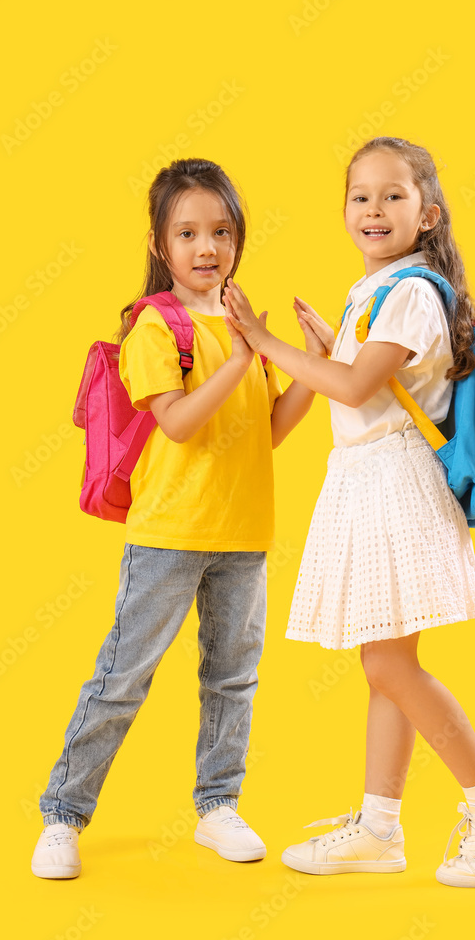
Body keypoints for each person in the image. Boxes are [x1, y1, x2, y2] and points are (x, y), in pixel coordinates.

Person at [222, 136, 475, 888]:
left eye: (393, 196)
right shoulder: (372, 289)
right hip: (368, 481)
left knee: (387, 661)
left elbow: (354, 387)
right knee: (384, 662)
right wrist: (325, 348)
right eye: (360, 195)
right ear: (343, 210)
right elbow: (351, 376)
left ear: (426, 213)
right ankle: (379, 826)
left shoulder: (410, 290)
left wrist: (266, 342)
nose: (373, 208)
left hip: (395, 485)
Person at [31, 158, 319, 878]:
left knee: (232, 679)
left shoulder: (245, 324)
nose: (206, 248)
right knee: (122, 677)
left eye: (221, 231)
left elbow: (269, 429)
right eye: (187, 232)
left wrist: (310, 362)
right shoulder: (154, 328)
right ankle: (62, 814)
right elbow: (182, 424)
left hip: (244, 534)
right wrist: (243, 352)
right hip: (168, 534)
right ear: (161, 245)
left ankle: (217, 805)